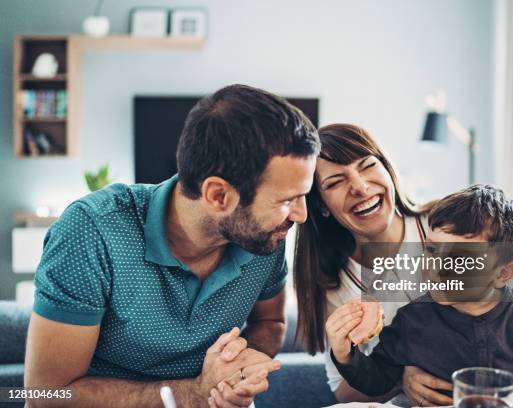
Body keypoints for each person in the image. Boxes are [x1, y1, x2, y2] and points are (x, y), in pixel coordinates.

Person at [24, 84, 320, 408]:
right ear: (218, 196)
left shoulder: (265, 238)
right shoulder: (91, 231)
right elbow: (45, 394)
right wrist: (193, 392)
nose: (301, 215)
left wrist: (239, 367)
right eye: (287, 200)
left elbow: (271, 323)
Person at [328, 185, 513, 402]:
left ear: (502, 273)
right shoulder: (412, 320)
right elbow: (376, 379)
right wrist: (346, 356)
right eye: (432, 250)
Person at [293, 123, 448, 406]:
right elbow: (341, 389)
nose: (360, 187)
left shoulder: (446, 225)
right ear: (321, 206)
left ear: (388, 170)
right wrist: (399, 378)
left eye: (367, 166)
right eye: (336, 182)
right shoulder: (330, 281)